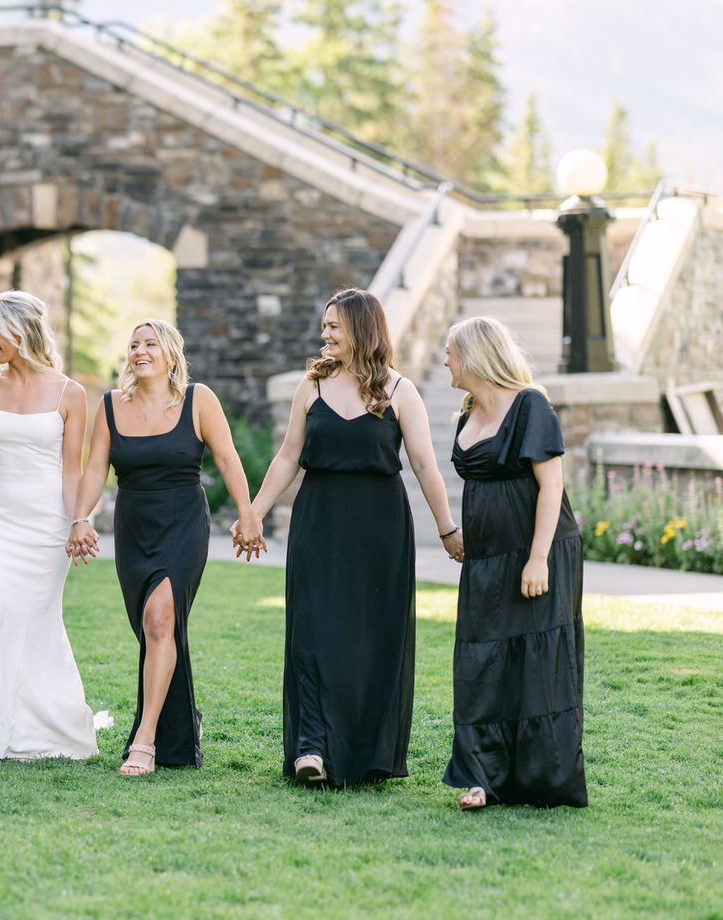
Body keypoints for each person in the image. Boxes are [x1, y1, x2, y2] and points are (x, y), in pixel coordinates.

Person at [242, 288, 463, 788]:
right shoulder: (311, 386)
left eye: (334, 326)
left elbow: (426, 465)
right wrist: (254, 512)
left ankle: (366, 753)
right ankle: (312, 748)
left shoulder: (400, 390)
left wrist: (448, 528)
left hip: (380, 528)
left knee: (370, 639)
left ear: (362, 328)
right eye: (324, 326)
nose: (325, 334)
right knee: (313, 632)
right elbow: (287, 456)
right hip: (318, 521)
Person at [67, 320, 265, 775]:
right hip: (134, 528)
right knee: (153, 630)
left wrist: (247, 511)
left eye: (150, 343)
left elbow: (228, 457)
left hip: (182, 524)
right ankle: (184, 720)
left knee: (161, 619)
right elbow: (95, 470)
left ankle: (146, 738)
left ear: (171, 354)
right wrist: (81, 518)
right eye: (133, 344)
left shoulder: (199, 400)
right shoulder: (111, 406)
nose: (139, 350)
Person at [0, 290, 98, 761]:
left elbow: (73, 470)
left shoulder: (71, 393)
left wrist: (79, 520)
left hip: (48, 526)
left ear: (20, 331)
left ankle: (41, 728)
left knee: (35, 623)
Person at [441, 316, 587, 810]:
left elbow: (552, 485)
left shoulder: (530, 405)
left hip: (538, 552)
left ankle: (537, 779)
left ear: (475, 355)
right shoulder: (467, 412)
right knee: (481, 660)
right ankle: (484, 775)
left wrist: (538, 558)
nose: (445, 360)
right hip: (485, 558)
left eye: (450, 352)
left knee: (535, 660)